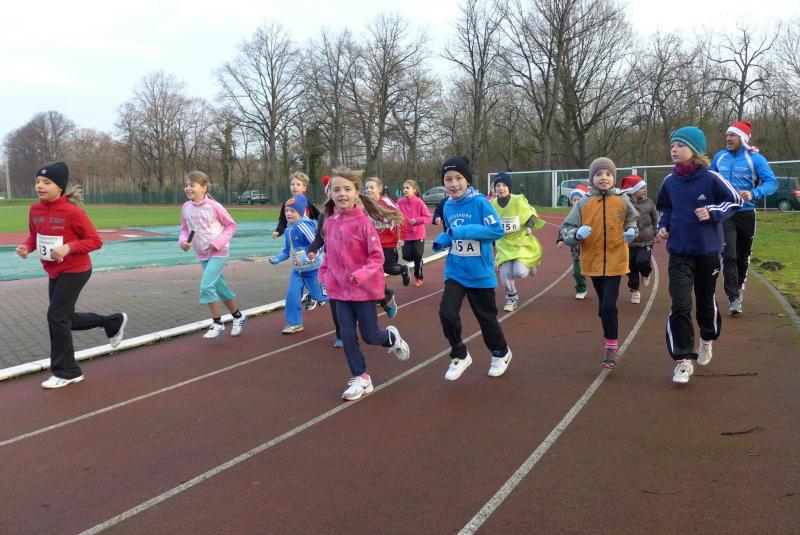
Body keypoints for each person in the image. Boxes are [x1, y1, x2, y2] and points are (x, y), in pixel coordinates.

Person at [15, 162, 127, 389]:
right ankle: (112, 321)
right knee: (65, 318)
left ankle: (68, 372)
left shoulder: (73, 212)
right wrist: (27, 246)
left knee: (56, 317)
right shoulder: (34, 210)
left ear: (60, 187)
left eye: (46, 182)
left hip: (76, 270)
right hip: (54, 270)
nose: (40, 186)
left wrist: (69, 247)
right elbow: (34, 235)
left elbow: (95, 241)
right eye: (38, 181)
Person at [657, 126, 742, 384]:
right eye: (673, 145)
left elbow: (735, 200)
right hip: (679, 253)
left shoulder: (711, 178)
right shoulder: (669, 181)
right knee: (680, 304)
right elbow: (665, 209)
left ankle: (707, 338)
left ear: (694, 150)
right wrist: (663, 226)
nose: (674, 149)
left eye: (681, 145)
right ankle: (683, 360)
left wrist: (713, 212)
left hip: (707, 253)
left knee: (705, 302)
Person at [318, 167, 410, 401]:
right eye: (336, 190)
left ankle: (391, 338)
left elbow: (377, 257)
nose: (342, 194)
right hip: (339, 290)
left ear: (357, 193)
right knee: (347, 335)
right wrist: (324, 275)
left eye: (347, 189)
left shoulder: (363, 223)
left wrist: (360, 275)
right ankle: (361, 377)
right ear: (330, 193)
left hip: (363, 290)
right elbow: (328, 253)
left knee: (370, 335)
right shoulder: (329, 223)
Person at [432, 155, 512, 380]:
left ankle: (501, 353)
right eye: (448, 179)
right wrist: (443, 240)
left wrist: (461, 232)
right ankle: (459, 354)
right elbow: (451, 232)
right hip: (455, 271)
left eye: (458, 178)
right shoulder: (447, 205)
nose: (454, 184)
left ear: (467, 180)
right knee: (447, 313)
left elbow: (496, 231)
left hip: (480, 273)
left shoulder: (480, 203)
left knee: (486, 319)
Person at [561, 158, 638, 370]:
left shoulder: (622, 200)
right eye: (598, 174)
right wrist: (577, 234)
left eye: (608, 174)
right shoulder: (583, 203)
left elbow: (632, 221)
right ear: (592, 178)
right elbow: (566, 229)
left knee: (608, 305)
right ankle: (607, 321)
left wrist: (631, 231)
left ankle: (611, 347)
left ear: (614, 178)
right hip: (593, 261)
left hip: (616, 260)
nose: (603, 178)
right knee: (604, 307)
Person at [710, 120, 778, 315]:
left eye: (732, 135)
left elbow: (772, 182)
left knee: (742, 255)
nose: (728, 138)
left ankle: (738, 288)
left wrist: (753, 193)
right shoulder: (719, 157)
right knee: (728, 254)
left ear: (742, 138)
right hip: (726, 213)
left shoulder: (756, 159)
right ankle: (733, 297)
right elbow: (710, 180)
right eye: (727, 135)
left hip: (747, 213)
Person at [179, 170, 247, 339]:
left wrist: (217, 243)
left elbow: (231, 225)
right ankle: (238, 316)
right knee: (220, 288)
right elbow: (185, 229)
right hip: (201, 253)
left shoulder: (214, 206)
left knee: (206, 286)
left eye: (192, 185)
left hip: (219, 252)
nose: (188, 188)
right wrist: (184, 242)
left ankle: (217, 323)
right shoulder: (186, 207)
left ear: (204, 188)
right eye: (186, 185)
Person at [268, 194, 328, 334]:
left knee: (319, 296)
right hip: (297, 271)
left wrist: (308, 257)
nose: (288, 213)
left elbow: (318, 245)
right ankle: (294, 323)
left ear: (301, 212)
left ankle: (346, 302)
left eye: (292, 211)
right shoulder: (288, 230)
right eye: (286, 211)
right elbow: (287, 251)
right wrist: (277, 259)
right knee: (292, 295)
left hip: (313, 271)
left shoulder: (304, 227)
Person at [490, 172, 545, 311]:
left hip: (520, 241)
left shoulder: (518, 200)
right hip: (503, 244)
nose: (501, 188)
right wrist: (492, 242)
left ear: (509, 187)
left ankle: (531, 263)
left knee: (519, 272)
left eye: (504, 185)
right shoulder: (491, 204)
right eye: (498, 185)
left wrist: (529, 227)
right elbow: (488, 224)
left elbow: (532, 215)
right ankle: (511, 298)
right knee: (505, 276)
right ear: (494, 188)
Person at [364, 176, 410, 318]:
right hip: (373, 244)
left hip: (389, 243)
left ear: (379, 189)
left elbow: (401, 218)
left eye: (371, 187)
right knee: (374, 272)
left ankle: (403, 269)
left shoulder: (386, 202)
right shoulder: (365, 204)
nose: (368, 190)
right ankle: (384, 296)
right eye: (366, 188)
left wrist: (402, 237)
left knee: (387, 268)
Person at [307, 176, 344, 347]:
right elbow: (319, 238)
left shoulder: (355, 216)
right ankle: (341, 334)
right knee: (335, 302)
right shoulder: (324, 216)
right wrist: (312, 249)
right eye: (332, 191)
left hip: (353, 267)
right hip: (332, 267)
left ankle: (384, 298)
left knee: (355, 305)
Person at [620, 175, 658, 304]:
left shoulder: (648, 202)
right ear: (633, 190)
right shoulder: (624, 203)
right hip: (630, 242)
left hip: (646, 240)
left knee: (643, 261)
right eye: (642, 188)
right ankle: (634, 290)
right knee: (631, 267)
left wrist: (656, 232)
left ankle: (646, 273)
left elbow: (655, 217)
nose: (645, 190)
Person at [557, 184, 589, 300]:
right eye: (574, 200)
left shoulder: (590, 214)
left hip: (590, 249)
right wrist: (560, 239)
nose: (575, 202)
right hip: (576, 251)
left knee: (597, 273)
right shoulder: (571, 216)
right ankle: (581, 289)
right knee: (577, 272)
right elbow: (564, 228)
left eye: (578, 199)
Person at [397, 179, 431, 287]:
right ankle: (416, 262)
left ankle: (418, 277)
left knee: (417, 256)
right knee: (406, 256)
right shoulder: (400, 202)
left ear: (414, 190)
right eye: (403, 188)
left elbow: (427, 217)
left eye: (407, 188)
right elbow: (396, 214)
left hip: (418, 234)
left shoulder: (419, 202)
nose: (405, 190)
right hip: (406, 235)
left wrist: (416, 220)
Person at [272, 171, 321, 239]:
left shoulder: (308, 204)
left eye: (298, 184)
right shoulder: (287, 204)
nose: (295, 186)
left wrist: (322, 230)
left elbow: (320, 217)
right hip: (293, 236)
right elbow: (283, 220)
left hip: (308, 237)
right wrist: (278, 231)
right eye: (292, 184)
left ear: (304, 188)